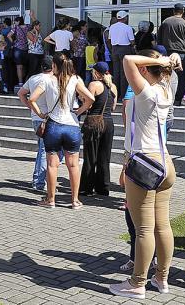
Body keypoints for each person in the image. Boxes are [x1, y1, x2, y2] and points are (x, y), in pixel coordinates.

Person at [108, 50, 179, 298]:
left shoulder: (147, 93)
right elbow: (167, 67)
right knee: (162, 226)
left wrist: (159, 61)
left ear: (147, 69)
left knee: (144, 230)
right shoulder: (166, 90)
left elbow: (127, 60)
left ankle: (137, 283)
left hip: (145, 162)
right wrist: (167, 60)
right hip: (165, 163)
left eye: (143, 68)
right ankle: (162, 278)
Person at [26, 52, 93, 209]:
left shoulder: (48, 80)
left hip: (54, 125)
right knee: (74, 165)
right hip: (72, 125)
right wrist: (78, 111)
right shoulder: (75, 79)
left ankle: (50, 200)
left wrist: (41, 114)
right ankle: (75, 201)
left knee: (52, 165)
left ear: (54, 66)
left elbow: (31, 99)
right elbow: (91, 98)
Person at [17, 56, 61, 191]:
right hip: (48, 118)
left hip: (36, 118)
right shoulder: (53, 80)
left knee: (43, 149)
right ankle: (39, 181)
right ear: (52, 67)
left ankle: (42, 179)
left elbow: (21, 93)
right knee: (45, 151)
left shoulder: (33, 78)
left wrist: (31, 108)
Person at [79, 62, 118, 196]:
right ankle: (103, 187)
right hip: (109, 123)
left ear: (96, 73)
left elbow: (88, 104)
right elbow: (113, 107)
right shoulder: (113, 87)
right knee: (104, 157)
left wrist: (79, 106)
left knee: (90, 156)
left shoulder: (94, 85)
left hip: (95, 123)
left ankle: (86, 188)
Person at [158, 3, 185, 102]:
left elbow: (159, 40)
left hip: (166, 53)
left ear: (173, 11)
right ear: (183, 11)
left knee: (165, 75)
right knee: (181, 78)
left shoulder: (165, 22)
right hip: (181, 54)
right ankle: (179, 98)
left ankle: (166, 96)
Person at [108, 10, 136, 98]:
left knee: (116, 72)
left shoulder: (112, 27)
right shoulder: (128, 28)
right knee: (124, 73)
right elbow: (132, 41)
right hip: (125, 49)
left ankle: (115, 93)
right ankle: (123, 94)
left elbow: (109, 39)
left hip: (114, 49)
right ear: (125, 18)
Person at [10, 16, 29, 87]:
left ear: (18, 21)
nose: (15, 23)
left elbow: (9, 35)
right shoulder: (27, 27)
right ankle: (25, 81)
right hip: (26, 49)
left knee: (19, 67)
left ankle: (20, 82)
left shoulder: (15, 28)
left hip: (18, 49)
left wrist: (13, 42)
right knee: (25, 66)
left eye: (15, 21)